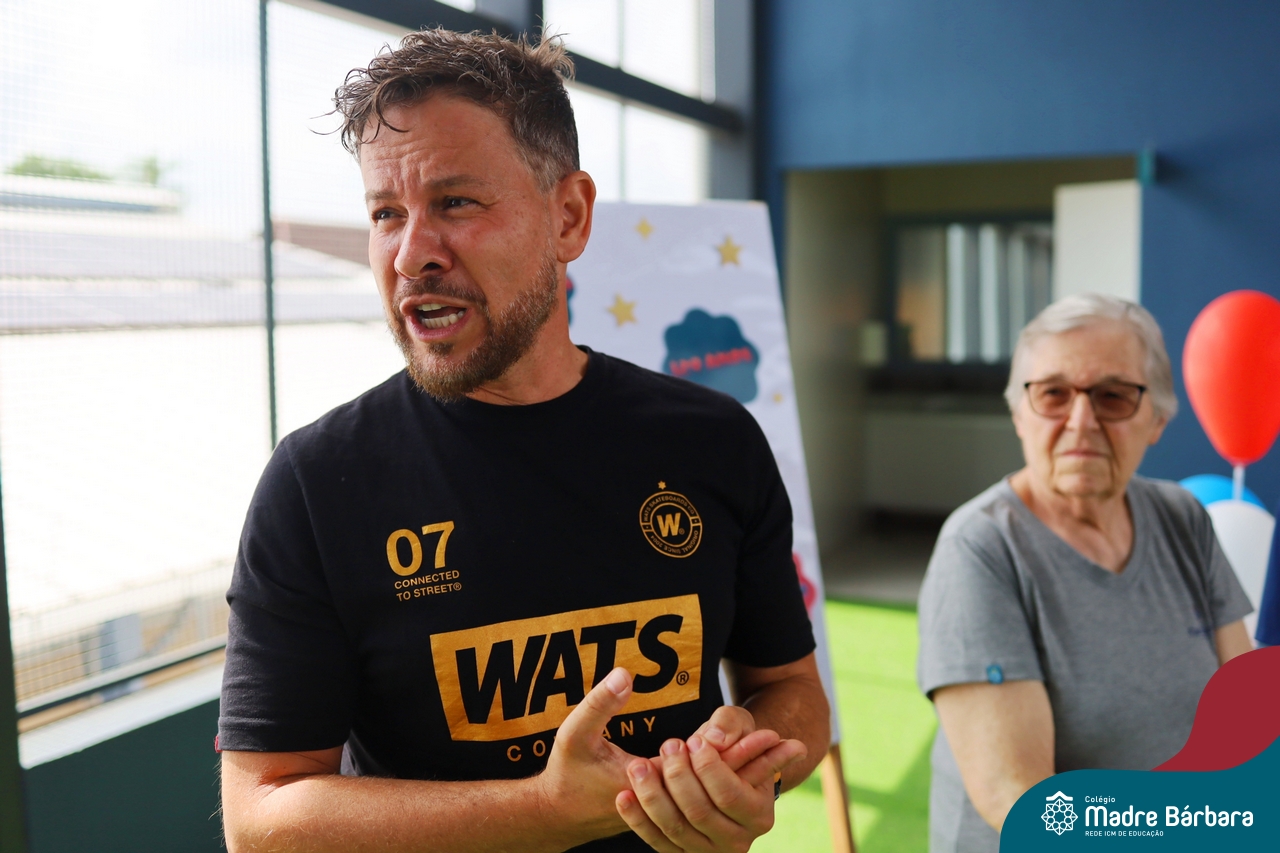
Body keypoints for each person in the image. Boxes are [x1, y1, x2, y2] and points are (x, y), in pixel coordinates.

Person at [217, 29, 829, 853]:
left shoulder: (713, 440)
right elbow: (262, 817)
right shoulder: (318, 482)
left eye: (456, 203)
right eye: (386, 213)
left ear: (568, 216)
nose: (411, 254)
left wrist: (749, 765)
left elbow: (790, 687)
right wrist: (542, 808)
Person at [916, 294, 1254, 852]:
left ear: (1157, 419)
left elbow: (1246, 721)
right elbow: (1021, 801)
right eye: (1053, 394)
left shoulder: (1183, 518)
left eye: (1113, 397)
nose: (1081, 422)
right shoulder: (980, 549)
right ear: (1019, 414)